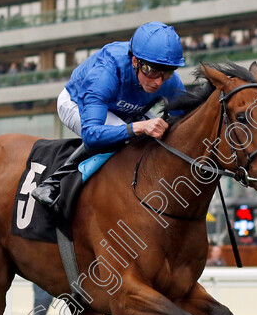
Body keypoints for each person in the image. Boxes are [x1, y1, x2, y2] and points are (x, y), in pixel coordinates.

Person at [31, 21, 187, 212]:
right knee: (123, 140)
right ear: (135, 61)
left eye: (166, 73)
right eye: (151, 70)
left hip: (126, 110)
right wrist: (137, 128)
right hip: (76, 104)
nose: (158, 82)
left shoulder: (167, 80)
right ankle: (53, 183)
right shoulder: (106, 71)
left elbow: (186, 122)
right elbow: (92, 135)